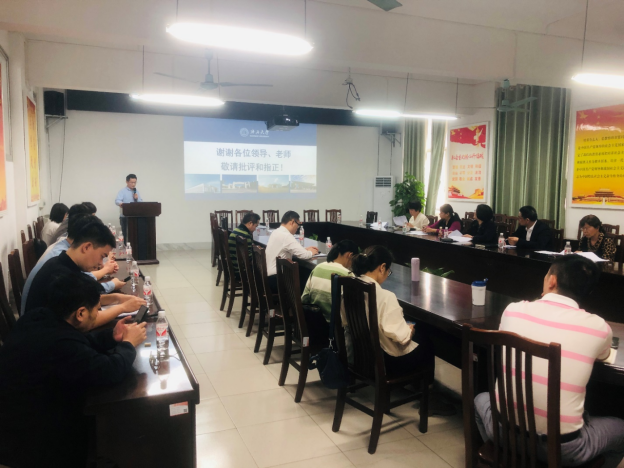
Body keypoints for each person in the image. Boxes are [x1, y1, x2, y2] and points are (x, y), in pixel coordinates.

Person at [474, 255, 624, 468]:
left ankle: (507, 460)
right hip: (563, 449)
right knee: (620, 429)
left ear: (552, 281)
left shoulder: (513, 310)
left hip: (502, 432)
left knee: (480, 399)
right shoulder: (599, 327)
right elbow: (604, 356)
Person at [0, 272, 147, 468]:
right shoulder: (61, 345)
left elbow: (81, 343)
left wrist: (112, 336)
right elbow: (110, 371)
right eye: (97, 309)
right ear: (80, 314)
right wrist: (128, 344)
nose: (98, 314)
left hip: (17, 417)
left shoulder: (39, 317)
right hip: (30, 440)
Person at [23, 221, 145, 324]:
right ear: (87, 247)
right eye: (102, 256)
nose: (101, 264)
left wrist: (117, 298)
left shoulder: (63, 262)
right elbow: (86, 323)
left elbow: (82, 300)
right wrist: (123, 307)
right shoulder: (61, 275)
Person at [350, 245, 434, 377]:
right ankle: (424, 385)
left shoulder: (350, 288)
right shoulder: (385, 297)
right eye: (388, 271)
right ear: (382, 267)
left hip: (360, 356)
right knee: (426, 339)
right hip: (387, 362)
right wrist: (409, 330)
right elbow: (401, 338)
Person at [302, 239, 358, 322]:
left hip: (313, 322)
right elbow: (352, 308)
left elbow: (304, 298)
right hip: (335, 326)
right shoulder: (348, 274)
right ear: (350, 255)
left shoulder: (318, 267)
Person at [265, 211, 319, 292]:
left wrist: (305, 249)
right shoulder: (286, 236)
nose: (298, 228)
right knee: (305, 278)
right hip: (277, 279)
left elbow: (289, 248)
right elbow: (304, 255)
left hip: (270, 277)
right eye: (298, 224)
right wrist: (311, 252)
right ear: (292, 222)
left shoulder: (276, 231)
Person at [228, 212, 260, 278]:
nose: (255, 229)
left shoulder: (236, 230)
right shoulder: (245, 235)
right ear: (250, 223)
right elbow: (250, 258)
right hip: (241, 271)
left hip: (234, 267)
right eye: (256, 226)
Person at [116, 173, 143, 241]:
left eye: (135, 182)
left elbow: (140, 203)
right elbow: (117, 201)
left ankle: (134, 247)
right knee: (125, 234)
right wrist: (121, 204)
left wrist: (137, 198)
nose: (133, 184)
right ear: (127, 182)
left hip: (135, 216)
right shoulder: (122, 191)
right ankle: (126, 246)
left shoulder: (136, 191)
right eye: (132, 182)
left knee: (135, 234)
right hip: (125, 217)